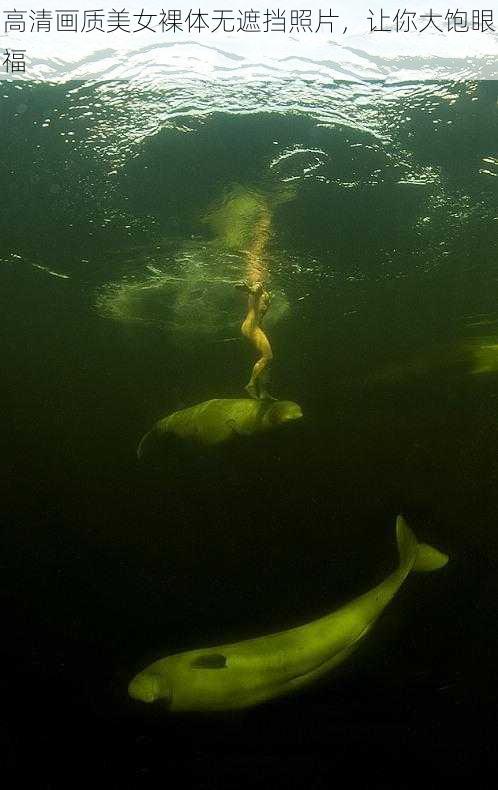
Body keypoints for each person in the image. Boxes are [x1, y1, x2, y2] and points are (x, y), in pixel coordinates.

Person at [237, 281, 274, 399]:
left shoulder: (264, 293)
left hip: (253, 327)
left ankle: (263, 392)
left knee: (267, 362)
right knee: (268, 356)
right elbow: (254, 290)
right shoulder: (258, 286)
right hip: (251, 327)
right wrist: (247, 289)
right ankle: (251, 384)